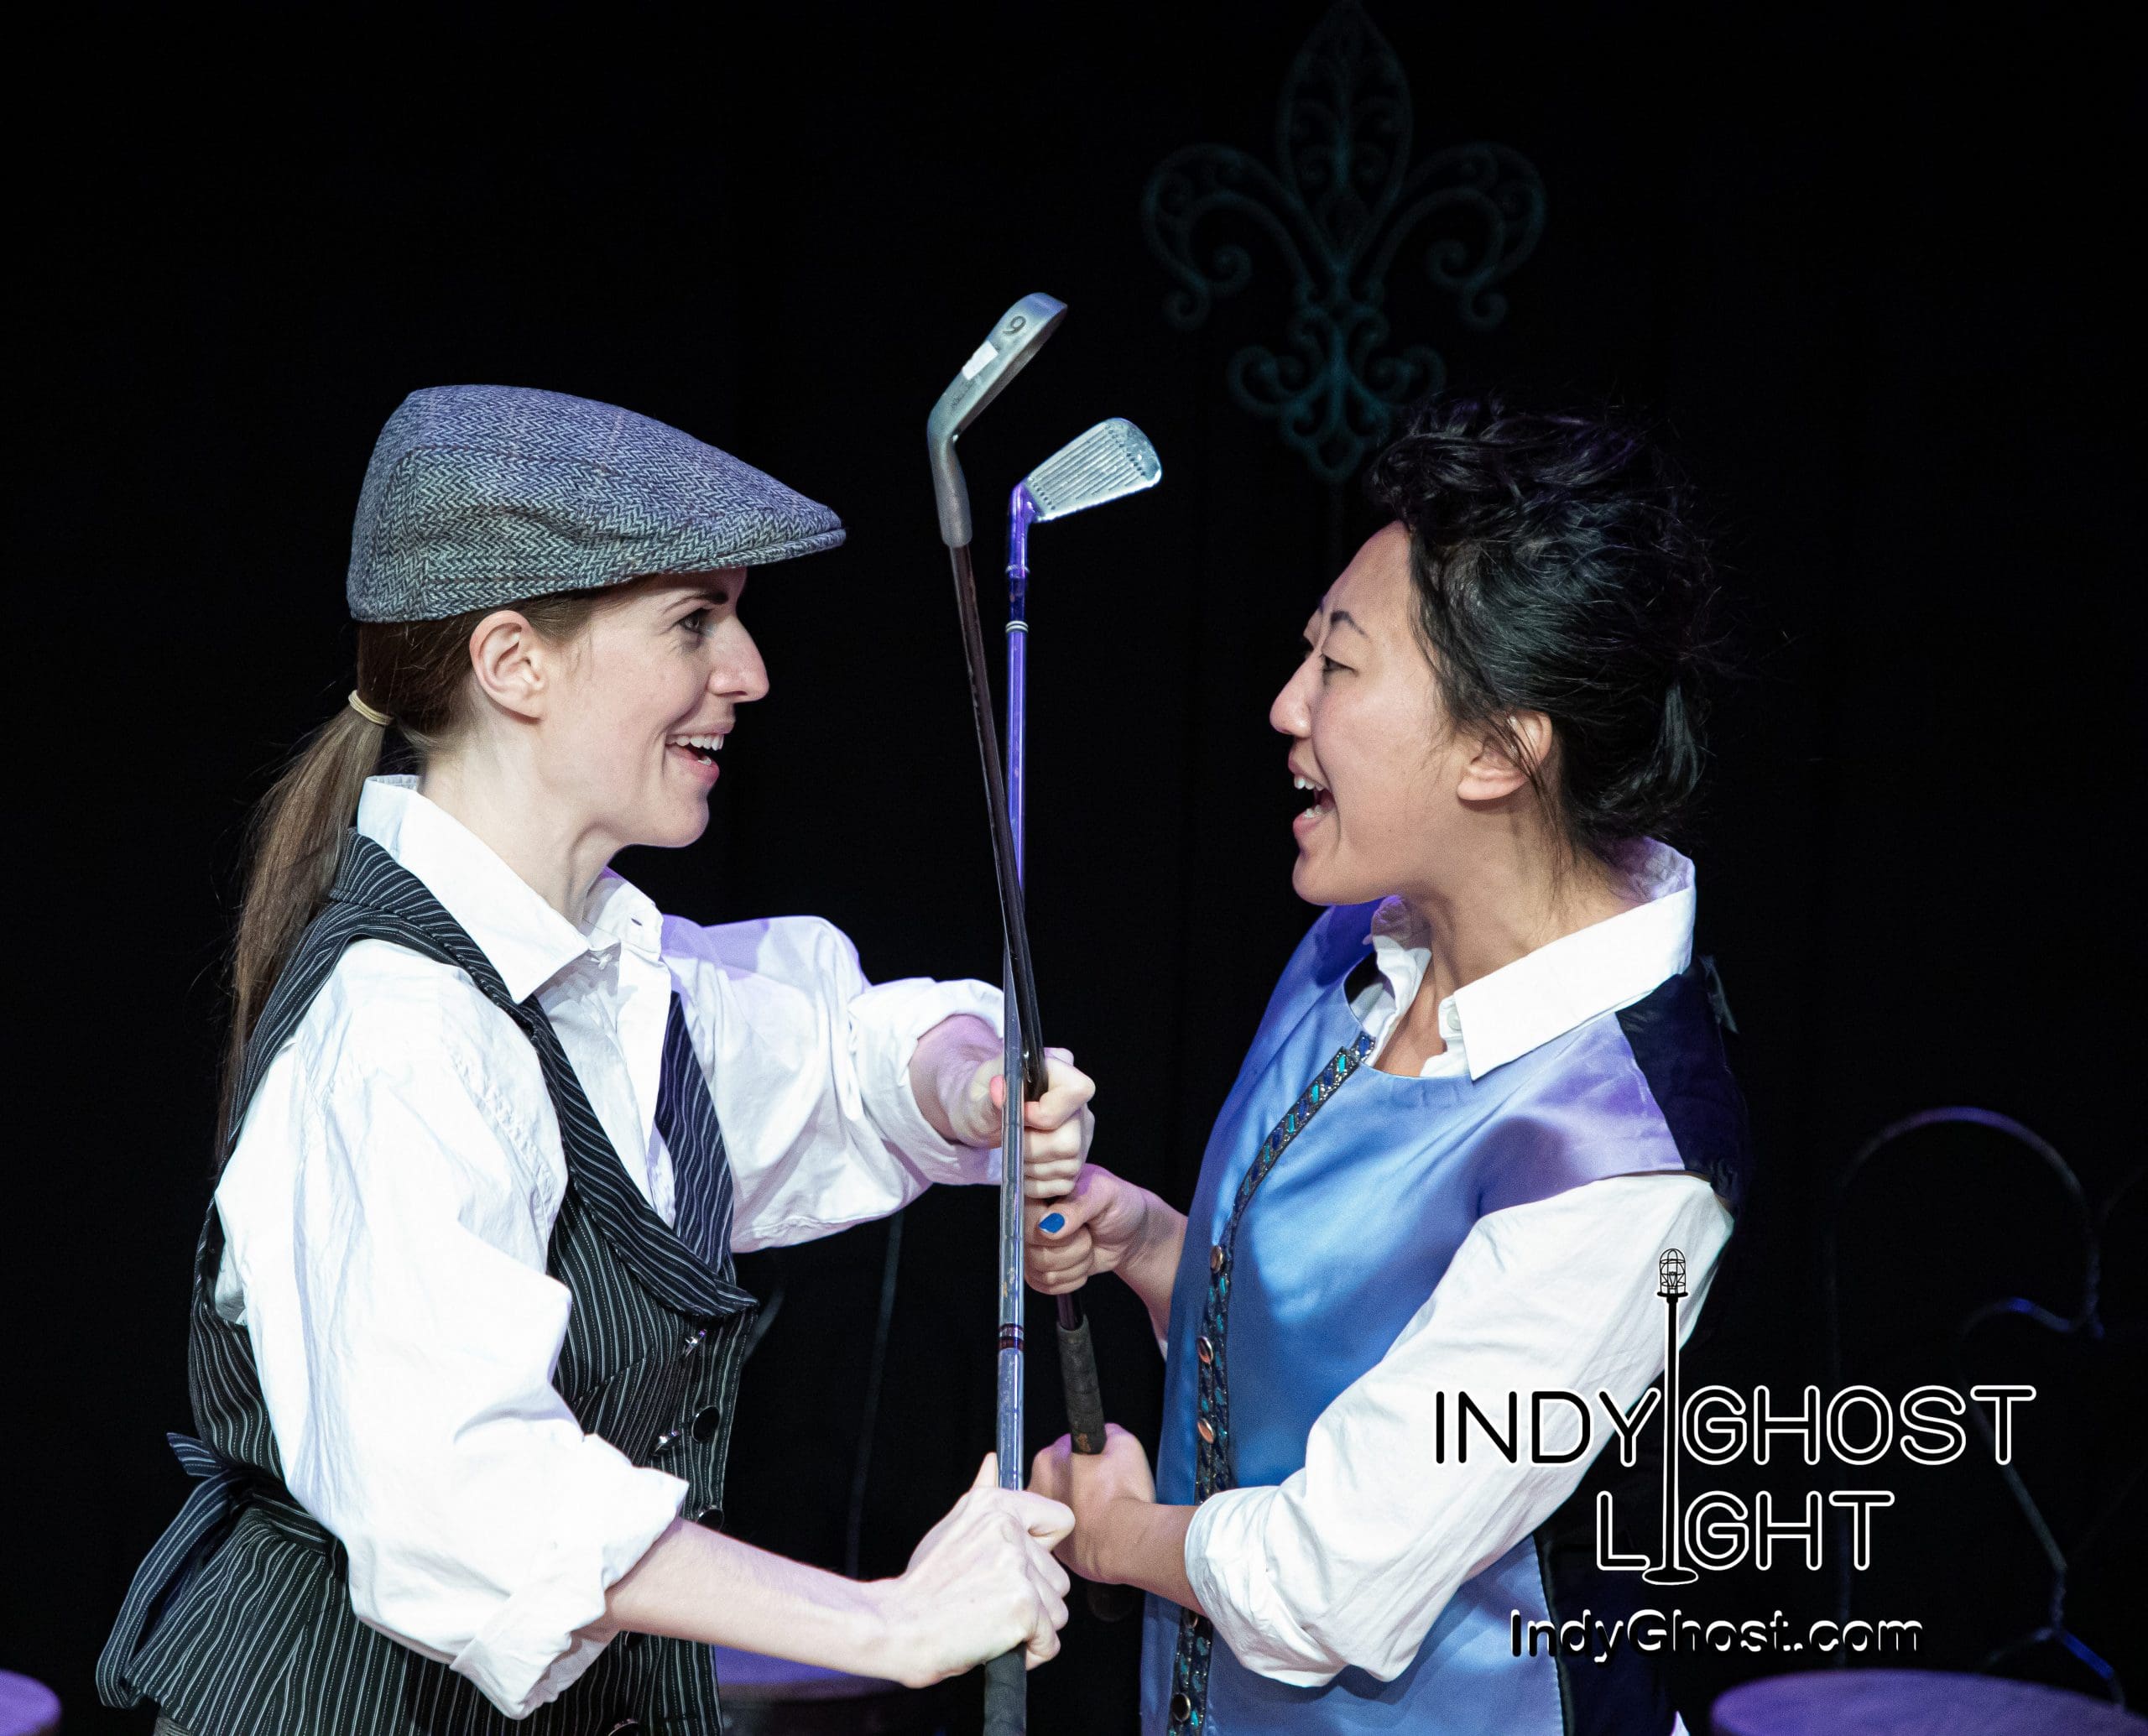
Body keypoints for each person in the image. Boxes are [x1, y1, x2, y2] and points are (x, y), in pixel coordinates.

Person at [98, 385, 1093, 1736]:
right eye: (694, 622)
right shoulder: (400, 1031)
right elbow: (470, 1494)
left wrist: (969, 1084)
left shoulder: (618, 977)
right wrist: (886, 1621)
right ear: (515, 663)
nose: (748, 672)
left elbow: (846, 1053)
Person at [1025, 399, 1749, 1734]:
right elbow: (1343, 1329)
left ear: (1499, 750)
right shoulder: (1363, 935)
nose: (1286, 704)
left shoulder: (1624, 1162)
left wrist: (1115, 1530)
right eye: (1308, 649)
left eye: (1340, 666)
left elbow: (1333, 1582)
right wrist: (1153, 1245)